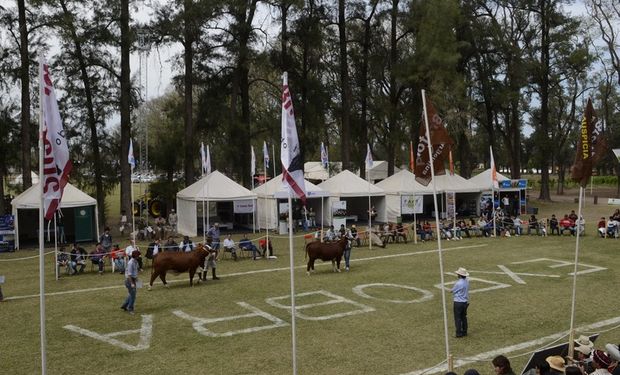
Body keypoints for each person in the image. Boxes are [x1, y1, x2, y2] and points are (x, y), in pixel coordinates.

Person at [120, 249, 141, 314]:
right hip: (129, 281)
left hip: (133, 279)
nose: (139, 256)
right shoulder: (130, 263)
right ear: (135, 256)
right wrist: (132, 283)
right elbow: (129, 275)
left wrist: (137, 279)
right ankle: (130, 308)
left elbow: (135, 271)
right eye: (138, 255)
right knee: (133, 296)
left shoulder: (135, 262)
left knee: (131, 294)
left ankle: (124, 305)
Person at [451, 267, 469, 338]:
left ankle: (458, 333)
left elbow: (452, 291)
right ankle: (465, 331)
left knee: (457, 318)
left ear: (460, 275)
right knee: (464, 317)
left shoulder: (458, 283)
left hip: (458, 302)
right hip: (465, 302)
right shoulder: (467, 281)